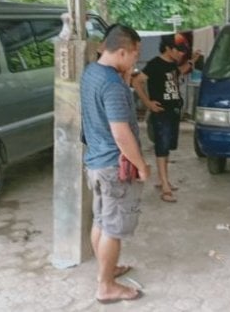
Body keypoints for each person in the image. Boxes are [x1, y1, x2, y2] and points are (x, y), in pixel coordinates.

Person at [80, 24, 150, 304]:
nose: (136, 60)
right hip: (113, 167)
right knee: (113, 228)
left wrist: (125, 76)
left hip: (95, 162)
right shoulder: (112, 85)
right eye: (134, 54)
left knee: (101, 219)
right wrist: (142, 165)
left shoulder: (92, 73)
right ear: (121, 51)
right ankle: (106, 285)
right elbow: (121, 134)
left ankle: (106, 269)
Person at [132, 33, 200, 203]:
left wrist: (193, 60)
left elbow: (180, 72)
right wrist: (148, 103)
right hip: (161, 113)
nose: (181, 54)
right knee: (161, 149)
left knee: (167, 147)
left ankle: (163, 180)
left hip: (173, 111)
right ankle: (165, 186)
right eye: (179, 50)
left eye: (183, 51)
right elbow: (136, 82)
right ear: (168, 48)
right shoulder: (155, 64)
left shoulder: (172, 65)